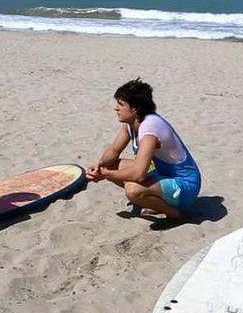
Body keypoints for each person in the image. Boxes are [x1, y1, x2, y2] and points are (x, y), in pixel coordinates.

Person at [86, 78, 201, 220]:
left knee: (132, 190)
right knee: (113, 164)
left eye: (121, 104)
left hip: (185, 185)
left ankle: (174, 214)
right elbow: (114, 150)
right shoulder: (131, 123)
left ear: (135, 109)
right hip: (164, 174)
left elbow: (138, 174)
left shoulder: (150, 127)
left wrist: (105, 175)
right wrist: (100, 166)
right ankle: (157, 201)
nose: (115, 108)